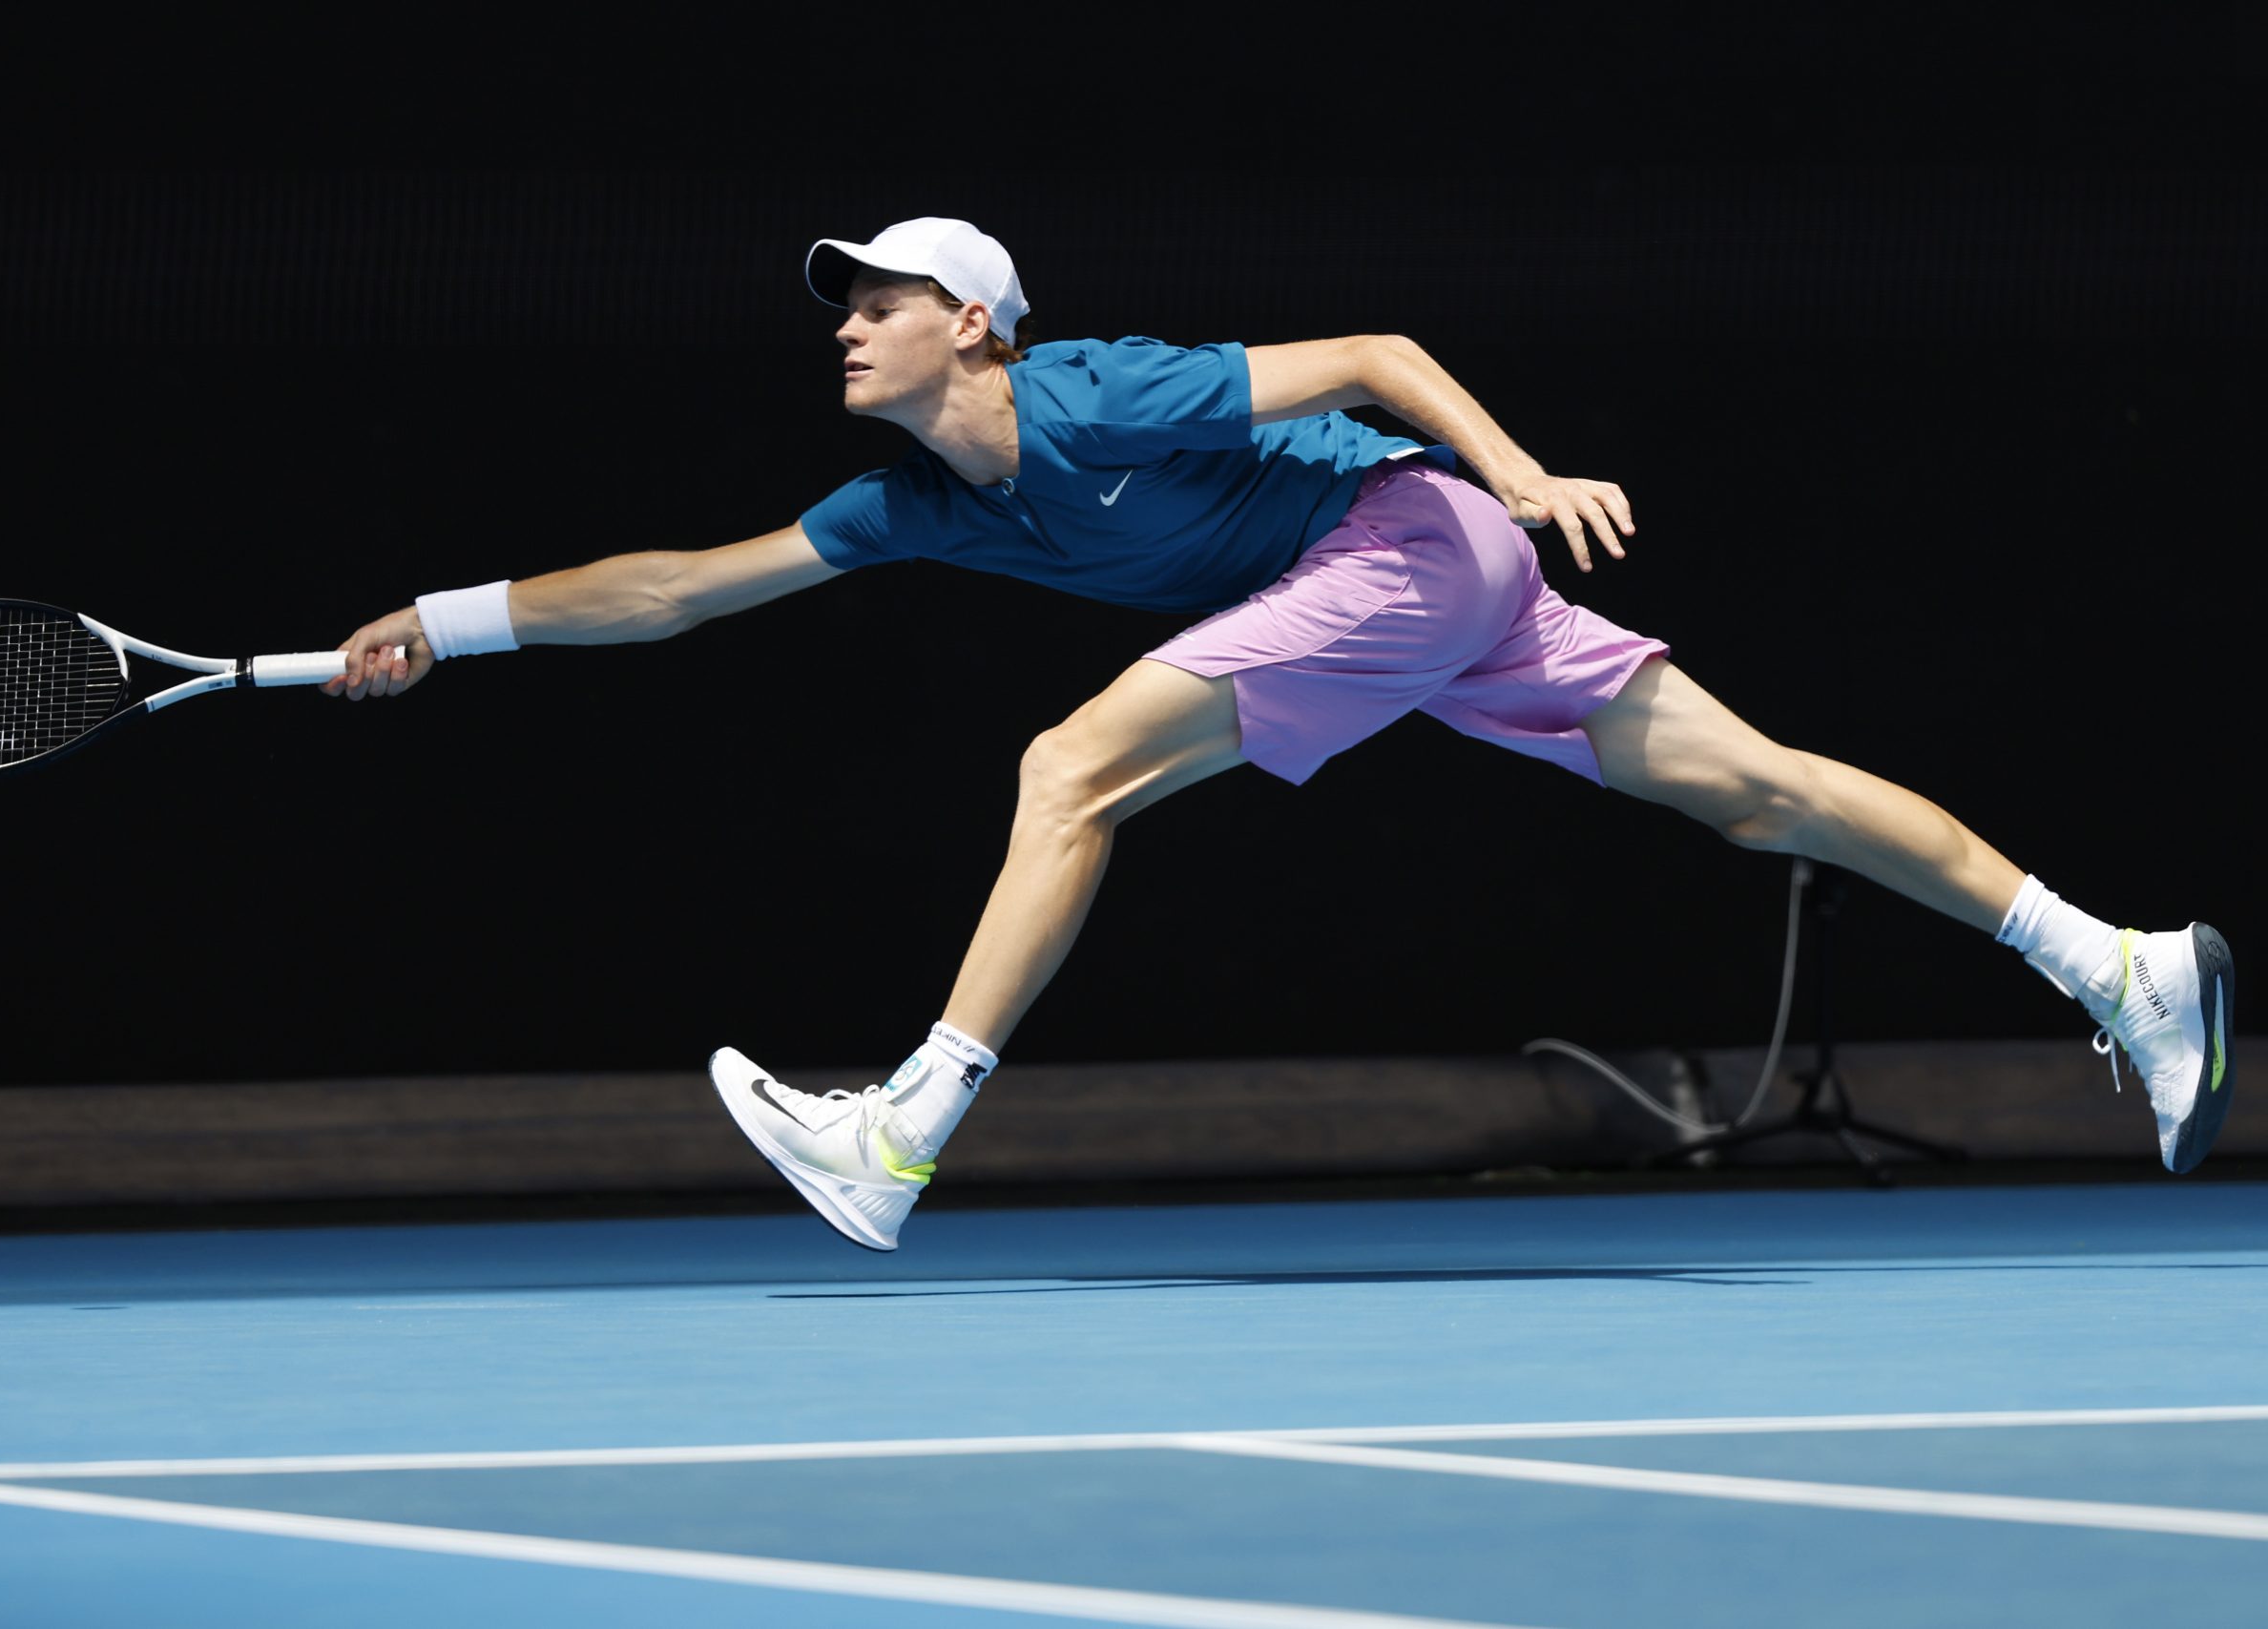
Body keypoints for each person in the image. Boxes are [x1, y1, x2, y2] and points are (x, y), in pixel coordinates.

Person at [328, 217, 2236, 1251]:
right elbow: (673, 582)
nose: (845, 325)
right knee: (1753, 794)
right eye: (843, 305)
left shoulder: (1091, 396)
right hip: (1433, 599)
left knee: (1066, 767)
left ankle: (902, 1128)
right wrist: (449, 622)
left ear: (976, 327)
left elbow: (1375, 358)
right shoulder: (915, 502)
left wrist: (1522, 468)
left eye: (881, 298)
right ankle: (2122, 962)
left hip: (1409, 535)